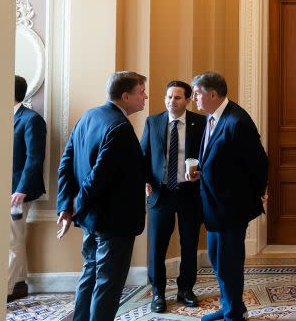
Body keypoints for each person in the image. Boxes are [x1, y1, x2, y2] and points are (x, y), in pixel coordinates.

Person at [56, 71, 148, 321]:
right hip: (114, 222)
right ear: (126, 96)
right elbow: (98, 177)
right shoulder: (119, 127)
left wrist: (67, 205)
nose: (145, 96)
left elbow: (65, 164)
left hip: (92, 219)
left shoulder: (89, 116)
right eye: (141, 92)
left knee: (90, 274)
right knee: (108, 284)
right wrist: (76, 205)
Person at [185, 71, 268, 321]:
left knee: (229, 264)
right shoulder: (211, 118)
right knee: (218, 261)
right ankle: (231, 306)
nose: (194, 99)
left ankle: (233, 315)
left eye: (197, 94)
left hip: (231, 208)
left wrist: (257, 193)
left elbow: (259, 163)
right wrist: (201, 172)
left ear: (212, 94)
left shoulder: (237, 121)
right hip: (212, 206)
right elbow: (221, 159)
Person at [141, 80, 204, 312]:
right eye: (168, 97)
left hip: (190, 193)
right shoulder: (153, 122)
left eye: (177, 98)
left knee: (189, 245)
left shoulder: (201, 123)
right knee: (157, 247)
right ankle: (158, 293)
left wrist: (201, 173)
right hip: (160, 194)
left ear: (187, 100)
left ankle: (185, 290)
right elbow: (144, 155)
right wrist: (145, 180)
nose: (171, 101)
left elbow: (208, 156)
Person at [9, 75, 47, 302]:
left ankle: (4, 290)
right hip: (1, 190)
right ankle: (20, 284)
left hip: (19, 193)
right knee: (15, 238)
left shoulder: (31, 119)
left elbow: (35, 158)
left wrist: (21, 190)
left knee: (10, 240)